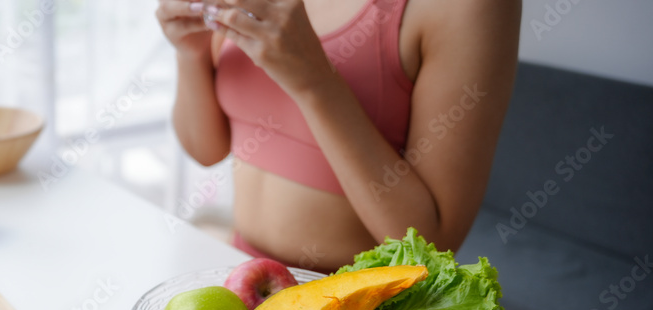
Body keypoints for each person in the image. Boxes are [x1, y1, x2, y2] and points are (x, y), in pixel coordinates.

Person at [156, 0, 521, 272]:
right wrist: (192, 53)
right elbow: (207, 150)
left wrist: (315, 81)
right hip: (244, 277)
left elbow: (433, 245)